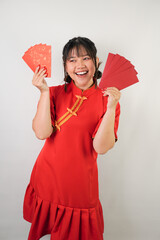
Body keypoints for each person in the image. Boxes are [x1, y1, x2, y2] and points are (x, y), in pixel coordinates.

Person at [23, 36, 121, 240]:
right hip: (47, 179)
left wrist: (111, 108)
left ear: (96, 62)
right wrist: (43, 92)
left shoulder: (108, 101)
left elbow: (101, 148)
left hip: (80, 189)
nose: (80, 65)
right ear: (65, 67)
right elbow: (42, 133)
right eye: (72, 60)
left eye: (86, 58)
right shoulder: (53, 93)